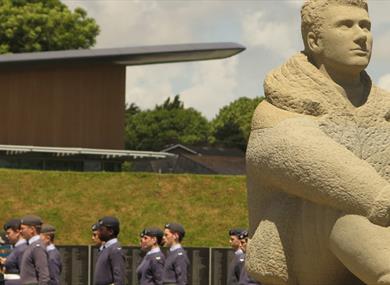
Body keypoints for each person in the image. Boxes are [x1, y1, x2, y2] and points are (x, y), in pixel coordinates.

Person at [246, 0, 390, 284]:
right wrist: (381, 199)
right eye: (345, 25)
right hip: (302, 255)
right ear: (314, 40)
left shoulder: (384, 110)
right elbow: (306, 155)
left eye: (366, 26)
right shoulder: (276, 111)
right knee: (337, 196)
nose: (361, 35)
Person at [93, 216, 126, 285]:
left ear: (110, 231)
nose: (98, 232)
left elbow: (119, 281)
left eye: (101, 230)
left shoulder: (115, 250)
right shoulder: (106, 248)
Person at [19, 215, 50, 285]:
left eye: (22, 228)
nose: (20, 231)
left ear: (32, 229)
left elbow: (44, 275)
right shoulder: (33, 246)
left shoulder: (37, 247)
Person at [0, 219, 27, 285]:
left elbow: (25, 276)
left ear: (17, 232)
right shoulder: (18, 248)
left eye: (8, 233)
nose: (6, 236)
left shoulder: (22, 249)